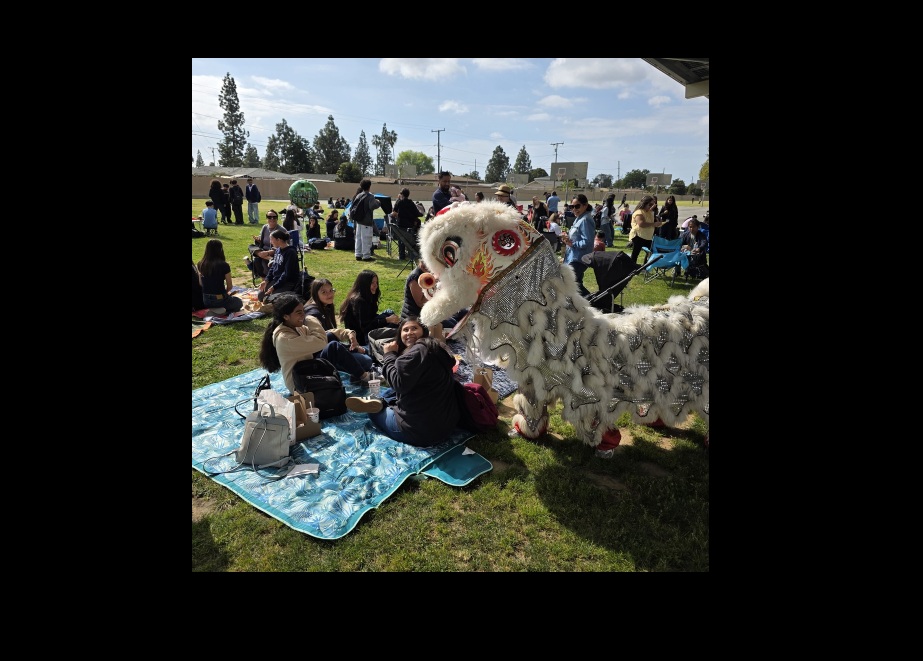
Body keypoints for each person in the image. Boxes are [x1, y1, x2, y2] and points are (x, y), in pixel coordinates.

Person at [345, 316, 461, 447]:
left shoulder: (415, 354)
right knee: (393, 390)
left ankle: (379, 404)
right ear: (399, 335)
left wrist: (388, 355)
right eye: (405, 330)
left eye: (414, 328)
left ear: (424, 331)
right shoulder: (435, 347)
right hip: (447, 426)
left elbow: (398, 384)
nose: (409, 332)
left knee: (373, 412)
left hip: (419, 432)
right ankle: (381, 401)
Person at [259, 293, 372, 395]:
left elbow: (326, 334)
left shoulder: (294, 327)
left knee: (332, 341)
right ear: (286, 316)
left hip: (307, 368)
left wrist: (348, 333)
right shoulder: (285, 338)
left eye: (303, 311)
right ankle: (364, 376)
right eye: (299, 313)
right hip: (300, 384)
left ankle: (360, 358)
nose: (303, 315)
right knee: (336, 347)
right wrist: (310, 318)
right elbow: (321, 341)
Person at [304, 278, 375, 374]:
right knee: (367, 360)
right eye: (324, 292)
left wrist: (352, 343)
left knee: (369, 350)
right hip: (323, 356)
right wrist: (352, 349)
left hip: (334, 347)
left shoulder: (325, 306)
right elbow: (327, 343)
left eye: (331, 290)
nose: (329, 294)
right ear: (316, 294)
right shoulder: (313, 315)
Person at [401, 259, 467, 338]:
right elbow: (420, 303)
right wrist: (435, 289)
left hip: (431, 312)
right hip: (416, 316)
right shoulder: (415, 277)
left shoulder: (431, 273)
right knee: (454, 325)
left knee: (464, 313)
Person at [339, 269, 400, 346]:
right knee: (391, 321)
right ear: (364, 284)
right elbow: (365, 327)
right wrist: (386, 320)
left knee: (389, 312)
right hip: (361, 337)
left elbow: (371, 317)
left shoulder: (367, 295)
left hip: (368, 326)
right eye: (372, 283)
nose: (376, 285)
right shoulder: (359, 301)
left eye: (376, 282)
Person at [560, 193, 596, 298]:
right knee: (576, 283)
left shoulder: (585, 220)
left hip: (579, 259)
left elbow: (588, 241)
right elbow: (577, 236)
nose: (574, 209)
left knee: (571, 283)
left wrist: (572, 243)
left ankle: (595, 301)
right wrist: (567, 238)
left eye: (577, 206)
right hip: (573, 257)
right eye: (572, 206)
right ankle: (591, 302)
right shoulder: (579, 218)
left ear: (585, 205)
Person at [197, 238, 244, 314]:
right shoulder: (224, 265)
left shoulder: (201, 264)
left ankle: (216, 309)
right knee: (238, 302)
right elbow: (230, 286)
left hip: (205, 300)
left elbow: (201, 283)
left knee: (231, 300)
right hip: (219, 299)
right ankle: (223, 311)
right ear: (220, 250)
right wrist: (225, 294)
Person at [258, 228, 299, 302]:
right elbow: (273, 267)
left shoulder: (290, 252)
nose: (271, 242)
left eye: (272, 239)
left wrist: (274, 287)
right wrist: (266, 280)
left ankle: (291, 294)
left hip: (287, 282)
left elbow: (287, 273)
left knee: (271, 300)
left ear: (278, 240)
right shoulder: (278, 250)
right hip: (276, 280)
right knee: (261, 296)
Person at [351, 178, 381, 262]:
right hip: (366, 221)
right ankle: (366, 256)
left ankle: (358, 254)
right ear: (369, 186)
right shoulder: (370, 196)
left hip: (358, 220)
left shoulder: (359, 195)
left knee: (358, 238)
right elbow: (372, 206)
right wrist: (378, 202)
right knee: (366, 238)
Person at [390, 187, 423, 261]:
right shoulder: (411, 203)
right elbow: (417, 213)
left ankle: (402, 256)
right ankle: (411, 255)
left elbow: (394, 213)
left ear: (401, 194)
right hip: (410, 225)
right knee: (410, 240)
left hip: (401, 224)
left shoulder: (399, 202)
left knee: (401, 240)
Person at [628, 194, 663, 264]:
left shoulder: (650, 212)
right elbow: (641, 224)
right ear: (645, 203)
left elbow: (651, 221)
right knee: (635, 253)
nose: (652, 206)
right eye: (650, 204)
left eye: (653, 204)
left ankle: (645, 266)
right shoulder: (639, 212)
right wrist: (653, 224)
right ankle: (631, 269)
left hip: (647, 237)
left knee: (651, 251)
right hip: (638, 236)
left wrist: (657, 223)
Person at [248, 210, 281, 278]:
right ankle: (269, 259)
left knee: (257, 259)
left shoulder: (281, 230)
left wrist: (269, 252)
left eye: (274, 217)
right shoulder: (265, 227)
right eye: (269, 217)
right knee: (250, 246)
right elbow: (262, 240)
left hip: (275, 251)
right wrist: (258, 239)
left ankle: (253, 268)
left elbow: (283, 247)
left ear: (277, 218)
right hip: (263, 250)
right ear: (266, 219)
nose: (272, 219)